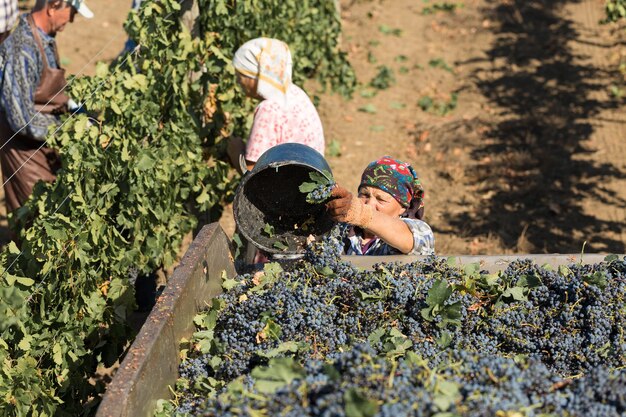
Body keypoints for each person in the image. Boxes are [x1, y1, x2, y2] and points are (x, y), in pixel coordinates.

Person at [0, 0, 92, 213]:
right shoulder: (21, 49)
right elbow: (21, 120)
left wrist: (71, 105)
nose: (72, 19)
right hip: (23, 151)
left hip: (43, 142)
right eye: (72, 12)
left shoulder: (45, 38)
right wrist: (70, 128)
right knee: (35, 221)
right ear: (53, 6)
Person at [227, 37, 325, 173]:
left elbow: (251, 174)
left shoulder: (268, 110)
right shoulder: (296, 93)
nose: (238, 81)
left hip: (287, 190)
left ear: (256, 75)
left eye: (241, 75)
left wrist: (235, 152)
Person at [327, 156, 435, 255]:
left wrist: (362, 213)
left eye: (381, 199)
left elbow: (409, 240)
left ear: (403, 207)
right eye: (364, 195)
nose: (369, 204)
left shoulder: (421, 231)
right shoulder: (342, 231)